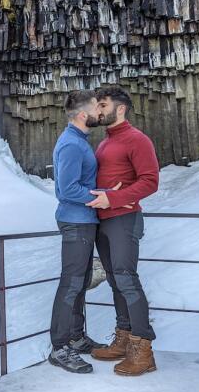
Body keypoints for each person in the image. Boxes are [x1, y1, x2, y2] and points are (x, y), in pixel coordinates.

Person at [87, 87, 160, 376]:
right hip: (103, 220)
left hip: (124, 218)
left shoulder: (137, 140)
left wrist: (113, 199)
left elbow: (150, 182)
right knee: (116, 282)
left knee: (127, 280)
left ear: (120, 109)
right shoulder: (105, 142)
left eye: (103, 105)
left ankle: (143, 351)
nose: (98, 111)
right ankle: (124, 339)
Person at [48, 90, 108, 374]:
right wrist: (103, 194)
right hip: (76, 221)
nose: (101, 112)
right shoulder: (72, 144)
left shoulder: (79, 141)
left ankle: (75, 336)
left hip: (84, 221)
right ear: (83, 114)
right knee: (71, 283)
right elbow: (65, 189)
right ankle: (59, 348)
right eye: (97, 107)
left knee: (80, 281)